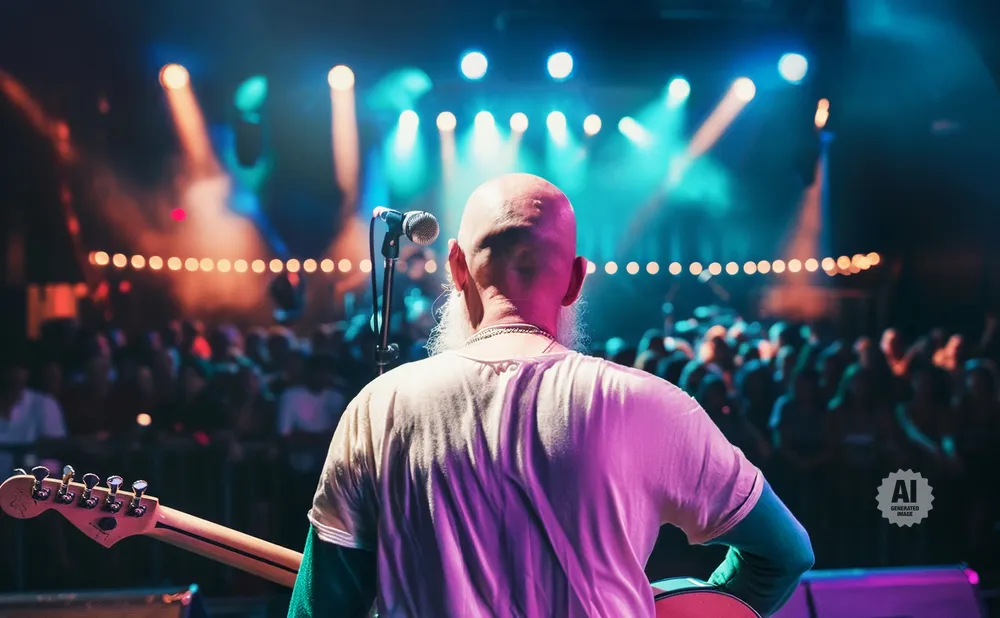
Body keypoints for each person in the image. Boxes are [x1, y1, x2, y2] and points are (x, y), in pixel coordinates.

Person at [289, 174, 813, 618]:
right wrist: (687, 608)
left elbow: (322, 607)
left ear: (455, 266)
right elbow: (785, 553)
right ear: (575, 280)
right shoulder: (652, 405)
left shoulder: (379, 408)